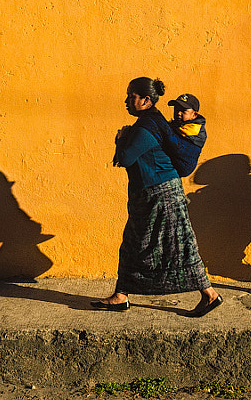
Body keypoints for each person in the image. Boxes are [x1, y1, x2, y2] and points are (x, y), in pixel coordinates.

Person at [95, 77, 224, 316]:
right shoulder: (149, 122)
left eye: (131, 96)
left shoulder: (147, 126)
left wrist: (121, 139)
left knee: (180, 245)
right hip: (149, 195)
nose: (126, 100)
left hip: (163, 195)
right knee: (134, 243)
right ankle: (121, 295)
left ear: (145, 100)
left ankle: (210, 295)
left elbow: (125, 158)